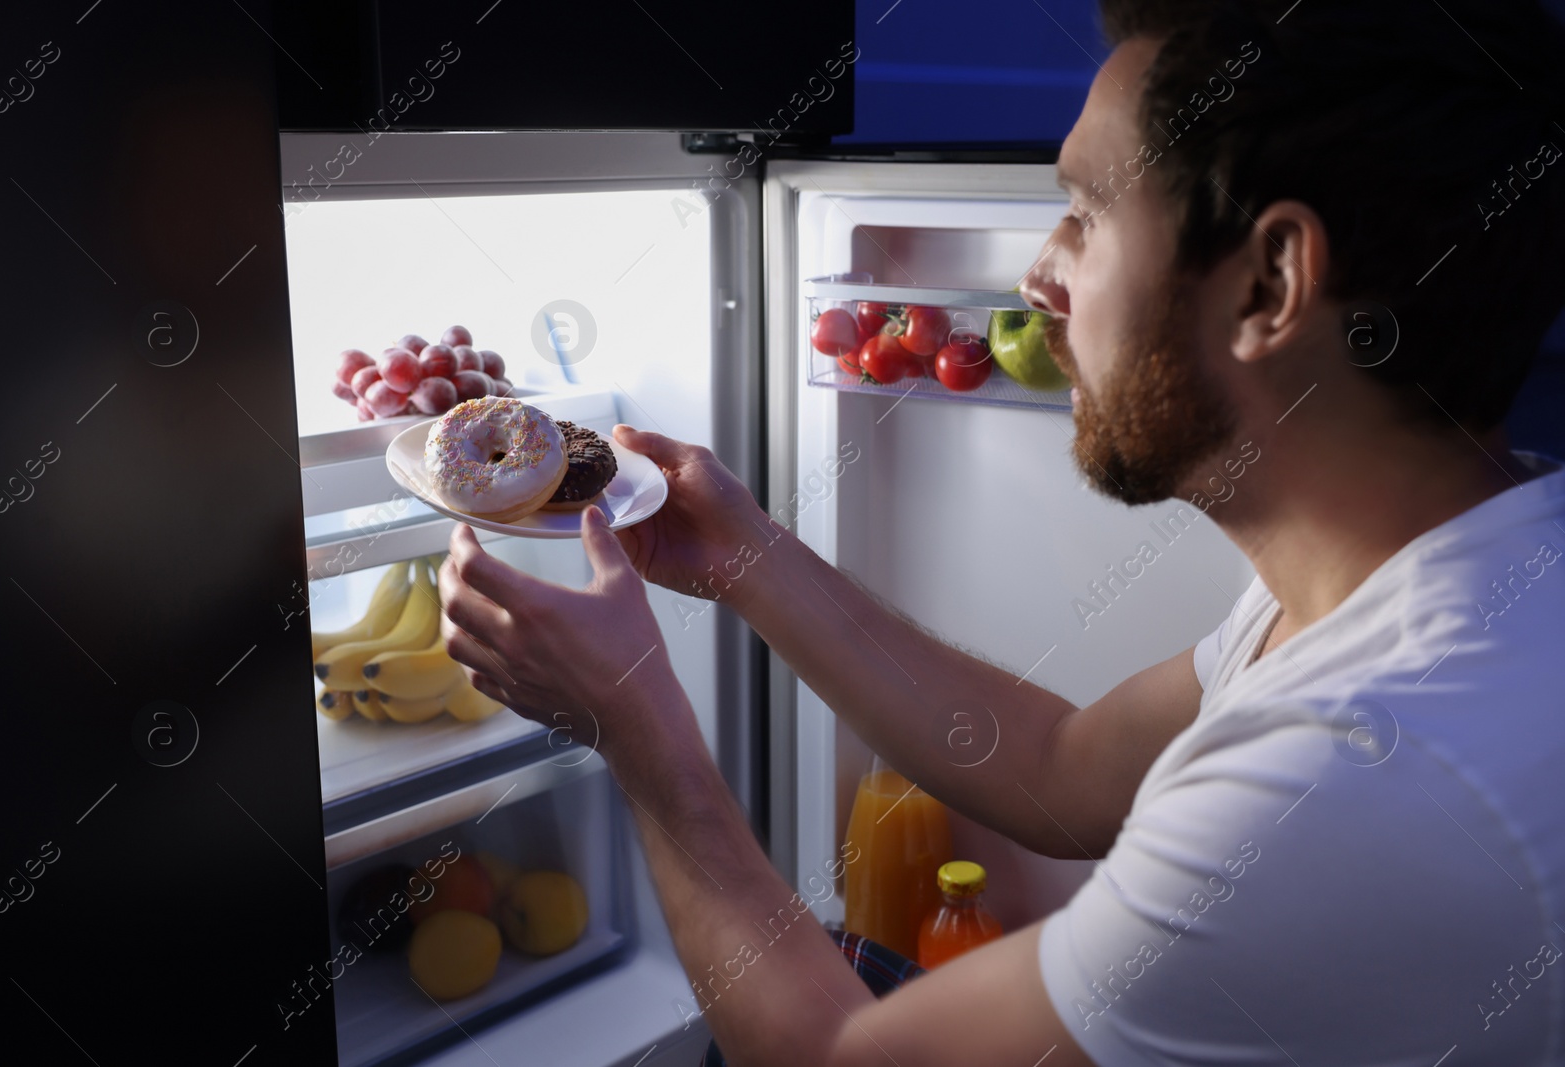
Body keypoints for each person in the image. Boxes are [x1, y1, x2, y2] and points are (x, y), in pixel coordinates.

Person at [438, 0, 1565, 1062]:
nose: (1037, 274)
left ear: (1269, 284)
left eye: (1084, 211)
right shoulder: (1442, 569)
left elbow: (829, 1058)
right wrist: (746, 557)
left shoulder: (1351, 779)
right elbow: (1057, 772)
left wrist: (635, 723)